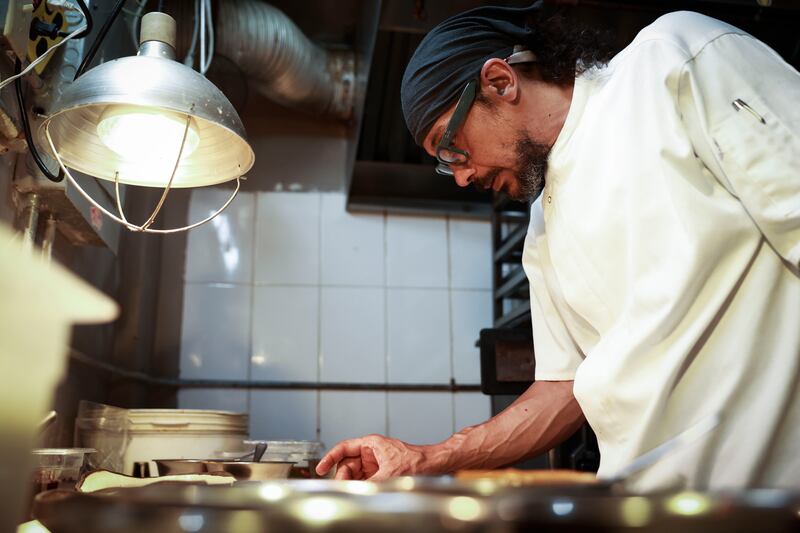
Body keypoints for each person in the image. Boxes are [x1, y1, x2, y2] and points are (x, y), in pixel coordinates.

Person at [316, 3, 800, 490]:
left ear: (500, 82)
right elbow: (562, 389)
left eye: (452, 146)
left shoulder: (668, 60)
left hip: (762, 501)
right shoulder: (542, 225)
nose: (461, 176)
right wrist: (427, 457)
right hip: (638, 507)